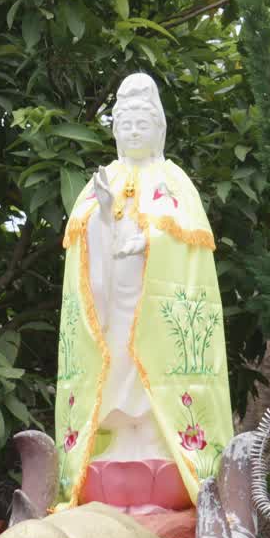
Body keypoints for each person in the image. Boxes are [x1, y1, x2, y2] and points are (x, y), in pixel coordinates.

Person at [54, 73, 233, 513]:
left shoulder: (174, 181)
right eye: (126, 125)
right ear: (115, 131)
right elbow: (84, 246)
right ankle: (111, 451)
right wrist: (104, 220)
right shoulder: (102, 180)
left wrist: (148, 241)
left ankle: (164, 447)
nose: (134, 132)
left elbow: (187, 247)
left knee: (157, 376)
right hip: (112, 304)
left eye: (142, 125)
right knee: (111, 370)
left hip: (153, 307)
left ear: (158, 130)